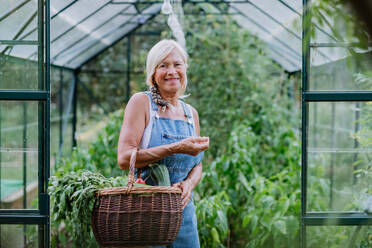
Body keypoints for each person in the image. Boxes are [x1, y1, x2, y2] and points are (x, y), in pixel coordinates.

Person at [117, 39, 209, 248]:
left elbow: (198, 165)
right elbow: (124, 159)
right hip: (146, 215)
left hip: (183, 216)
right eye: (163, 65)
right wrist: (175, 148)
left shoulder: (190, 113)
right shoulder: (142, 103)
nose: (172, 71)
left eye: (177, 64)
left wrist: (189, 184)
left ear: (185, 68)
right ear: (153, 74)